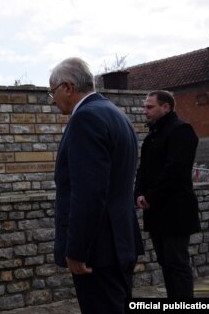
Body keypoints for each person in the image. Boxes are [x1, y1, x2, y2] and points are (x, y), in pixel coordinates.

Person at [49, 57, 143, 314]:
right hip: (120, 242)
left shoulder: (85, 119)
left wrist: (77, 250)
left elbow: (89, 192)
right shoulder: (116, 115)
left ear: (67, 87)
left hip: (97, 252)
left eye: (52, 91)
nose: (52, 100)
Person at [135, 90, 200, 298]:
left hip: (175, 212)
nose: (145, 111)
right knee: (166, 264)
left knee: (177, 265)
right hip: (156, 212)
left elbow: (176, 171)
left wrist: (150, 197)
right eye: (145, 106)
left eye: (149, 107)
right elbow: (143, 170)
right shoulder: (153, 135)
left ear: (166, 107)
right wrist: (138, 194)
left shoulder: (181, 130)